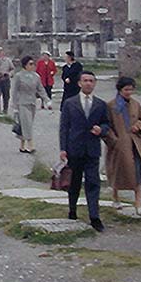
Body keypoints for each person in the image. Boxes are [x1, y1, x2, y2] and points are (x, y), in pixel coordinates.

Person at [59, 70, 109, 232]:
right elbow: (64, 127)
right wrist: (63, 148)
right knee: (74, 182)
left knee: (93, 183)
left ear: (94, 84)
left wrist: (100, 129)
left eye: (91, 81)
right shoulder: (70, 103)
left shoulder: (100, 104)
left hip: (92, 149)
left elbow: (107, 124)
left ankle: (94, 216)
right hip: (75, 148)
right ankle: (72, 210)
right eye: (85, 80)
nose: (88, 83)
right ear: (79, 83)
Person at [106, 76, 141, 214]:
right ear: (120, 90)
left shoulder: (135, 104)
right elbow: (106, 125)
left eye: (131, 89)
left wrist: (138, 125)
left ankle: (138, 204)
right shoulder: (111, 106)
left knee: (137, 173)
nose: (129, 92)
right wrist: (114, 140)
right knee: (117, 172)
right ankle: (115, 198)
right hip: (118, 146)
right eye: (126, 89)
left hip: (135, 144)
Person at [11, 56, 51, 153]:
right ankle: (31, 145)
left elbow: (40, 89)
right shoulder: (19, 76)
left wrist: (47, 100)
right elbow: (14, 91)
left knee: (25, 124)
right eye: (30, 64)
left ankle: (22, 146)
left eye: (33, 64)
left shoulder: (36, 76)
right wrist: (15, 106)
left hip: (32, 103)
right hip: (22, 103)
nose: (33, 66)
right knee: (27, 123)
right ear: (25, 65)